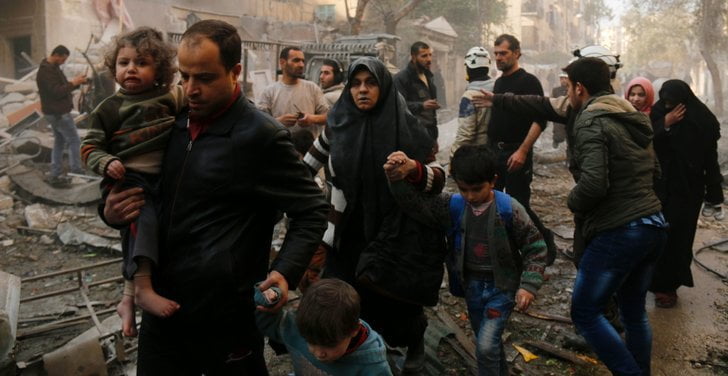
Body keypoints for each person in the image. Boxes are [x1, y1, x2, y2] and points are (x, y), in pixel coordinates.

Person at [102, 20, 329, 375]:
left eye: (205, 78)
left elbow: (312, 210)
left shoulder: (261, 136)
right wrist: (111, 213)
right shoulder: (169, 122)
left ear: (235, 71)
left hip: (226, 318)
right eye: (185, 76)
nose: (191, 89)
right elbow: (138, 189)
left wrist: (284, 272)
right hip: (163, 311)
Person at [303, 57, 446, 374]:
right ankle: (362, 354)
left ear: (384, 87)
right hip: (347, 228)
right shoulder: (337, 123)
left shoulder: (408, 127)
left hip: (395, 229)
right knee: (346, 293)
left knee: (396, 299)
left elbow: (438, 180)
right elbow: (304, 170)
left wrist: (412, 170)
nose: (362, 90)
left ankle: (414, 342)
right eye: (356, 83)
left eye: (371, 83)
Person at [384, 144, 546, 376]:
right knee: (487, 341)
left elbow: (535, 246)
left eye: (477, 189)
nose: (470, 196)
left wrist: (529, 285)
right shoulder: (455, 206)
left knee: (486, 344)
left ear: (493, 181)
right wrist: (397, 180)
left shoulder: (509, 209)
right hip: (471, 287)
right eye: (464, 189)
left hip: (501, 287)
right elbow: (418, 206)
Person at [564, 57, 667, 375]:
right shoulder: (632, 117)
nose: (567, 93)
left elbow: (594, 184)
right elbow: (656, 172)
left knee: (585, 312)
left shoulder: (591, 119)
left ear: (579, 88)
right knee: (633, 312)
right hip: (653, 224)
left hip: (621, 230)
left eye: (568, 86)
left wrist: (572, 201)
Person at [80, 27, 184, 337]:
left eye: (141, 62)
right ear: (113, 69)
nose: (131, 69)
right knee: (143, 223)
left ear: (161, 70)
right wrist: (107, 162)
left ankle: (127, 300)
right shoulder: (108, 108)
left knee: (146, 236)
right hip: (127, 177)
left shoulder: (172, 96)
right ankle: (141, 290)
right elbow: (88, 148)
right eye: (124, 63)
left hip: (161, 180)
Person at [649, 79, 724, 308]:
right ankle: (650, 281)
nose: (669, 106)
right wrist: (665, 123)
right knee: (655, 236)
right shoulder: (659, 112)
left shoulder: (703, 120)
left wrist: (714, 195)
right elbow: (643, 140)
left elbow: (710, 161)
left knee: (678, 239)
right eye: (666, 101)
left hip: (688, 191)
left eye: (673, 102)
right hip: (658, 187)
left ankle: (668, 287)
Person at [487, 34, 555, 265]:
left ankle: (545, 246)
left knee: (519, 205)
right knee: (492, 201)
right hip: (495, 152)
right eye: (496, 53)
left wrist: (523, 151)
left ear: (517, 53)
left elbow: (540, 120)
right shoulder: (498, 83)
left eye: (503, 53)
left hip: (517, 152)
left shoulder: (529, 81)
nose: (498, 57)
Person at [256, 279, 392, 375]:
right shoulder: (302, 327)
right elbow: (263, 319)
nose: (318, 353)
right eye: (310, 342)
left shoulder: (372, 365)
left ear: (353, 330)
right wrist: (269, 297)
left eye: (329, 345)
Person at [36, 45, 88, 186]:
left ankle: (55, 172)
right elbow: (57, 92)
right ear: (56, 55)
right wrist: (73, 83)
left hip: (54, 112)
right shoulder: (46, 71)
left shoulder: (53, 68)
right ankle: (76, 170)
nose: (64, 62)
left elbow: (64, 86)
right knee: (74, 141)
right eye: (63, 59)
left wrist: (77, 83)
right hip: (58, 113)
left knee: (59, 141)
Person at [257, 46, 329, 137]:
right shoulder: (269, 92)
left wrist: (312, 118)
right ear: (282, 63)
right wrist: (278, 122)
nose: (301, 65)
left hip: (308, 149)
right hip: (279, 148)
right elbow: (258, 124)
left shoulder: (312, 88)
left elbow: (329, 117)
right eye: (296, 60)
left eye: (303, 61)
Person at [449, 47, 496, 159]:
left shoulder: (469, 96)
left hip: (477, 155)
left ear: (468, 68)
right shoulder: (498, 89)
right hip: (495, 151)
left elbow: (465, 134)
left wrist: (453, 156)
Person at [393, 41, 440, 141]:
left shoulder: (429, 77)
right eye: (424, 56)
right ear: (413, 57)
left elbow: (432, 114)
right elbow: (398, 106)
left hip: (429, 134)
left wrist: (434, 139)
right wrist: (422, 105)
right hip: (411, 135)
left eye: (430, 55)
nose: (429, 59)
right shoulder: (402, 78)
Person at [550, 73, 568, 148]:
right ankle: (556, 143)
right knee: (557, 130)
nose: (563, 80)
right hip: (558, 114)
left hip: (568, 114)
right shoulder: (555, 90)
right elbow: (551, 100)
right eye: (561, 78)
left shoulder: (571, 89)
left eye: (565, 78)